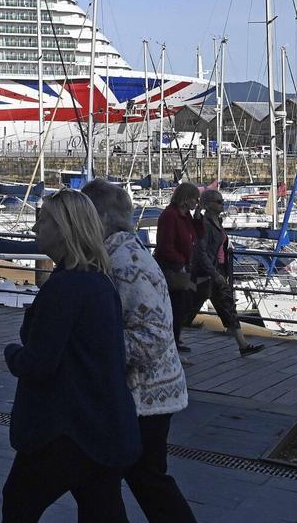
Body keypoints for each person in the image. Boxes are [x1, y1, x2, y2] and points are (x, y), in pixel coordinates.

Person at [1, 190, 141, 522]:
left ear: (65, 229)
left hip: (67, 430)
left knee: (19, 502)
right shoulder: (99, 281)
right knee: (101, 508)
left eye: (43, 220)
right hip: (104, 426)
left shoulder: (65, 287)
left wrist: (12, 355)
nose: (35, 227)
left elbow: (40, 362)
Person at [83, 179, 197, 522]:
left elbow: (150, 336)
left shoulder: (126, 262)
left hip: (147, 398)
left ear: (100, 218)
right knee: (115, 481)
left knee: (145, 479)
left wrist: (94, 347)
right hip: (148, 395)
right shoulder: (119, 253)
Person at [193, 189, 264, 357]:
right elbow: (201, 251)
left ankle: (243, 345)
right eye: (219, 202)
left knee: (228, 306)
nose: (222, 204)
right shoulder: (205, 224)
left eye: (222, 201)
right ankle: (175, 339)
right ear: (209, 205)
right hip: (208, 272)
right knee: (190, 308)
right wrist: (213, 272)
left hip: (218, 270)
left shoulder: (217, 221)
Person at [155, 183, 200, 354]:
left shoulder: (186, 216)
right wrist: (181, 260)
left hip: (183, 266)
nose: (197, 202)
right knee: (176, 304)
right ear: (186, 199)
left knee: (184, 303)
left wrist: (197, 217)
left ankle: (176, 337)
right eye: (195, 199)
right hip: (171, 267)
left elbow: (197, 235)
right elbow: (165, 246)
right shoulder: (170, 216)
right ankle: (172, 339)